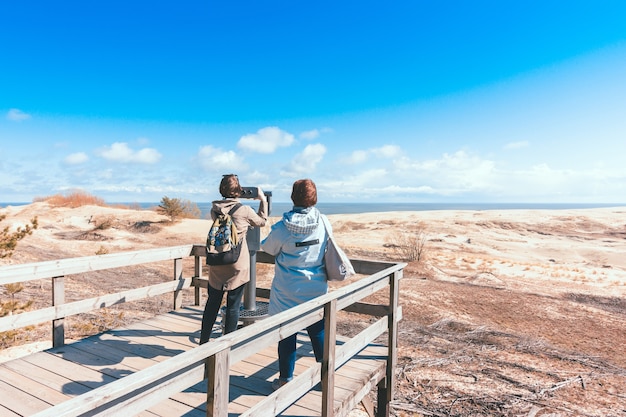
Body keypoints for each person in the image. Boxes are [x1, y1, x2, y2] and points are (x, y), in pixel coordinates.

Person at [260, 178, 329, 390]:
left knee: (287, 333)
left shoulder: (282, 227)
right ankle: (326, 376)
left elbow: (268, 249)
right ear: (314, 197)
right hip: (316, 288)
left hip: (287, 289)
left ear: (293, 197)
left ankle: (285, 380)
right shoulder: (324, 222)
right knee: (317, 330)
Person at [199, 174, 268, 344]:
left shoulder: (214, 209)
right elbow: (262, 222)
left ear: (221, 190)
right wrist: (263, 200)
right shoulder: (244, 210)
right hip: (237, 263)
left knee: (212, 303)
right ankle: (226, 345)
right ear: (239, 191)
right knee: (233, 306)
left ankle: (204, 341)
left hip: (217, 261)